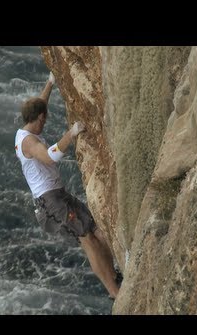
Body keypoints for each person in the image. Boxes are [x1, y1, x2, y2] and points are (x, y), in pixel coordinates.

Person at [14, 72, 120, 299]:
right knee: (87, 238)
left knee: (97, 231)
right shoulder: (29, 142)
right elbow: (50, 157)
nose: (45, 122)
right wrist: (70, 134)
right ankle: (113, 291)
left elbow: (41, 102)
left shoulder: (25, 128)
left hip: (58, 195)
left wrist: (51, 82)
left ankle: (116, 275)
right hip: (49, 203)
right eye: (44, 119)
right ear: (39, 118)